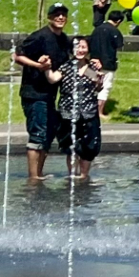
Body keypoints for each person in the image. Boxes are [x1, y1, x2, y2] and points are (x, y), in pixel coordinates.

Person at [13, 5, 74, 181]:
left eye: (63, 14)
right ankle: (33, 177)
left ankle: (39, 173)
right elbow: (17, 56)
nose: (60, 17)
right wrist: (38, 66)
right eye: (56, 15)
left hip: (50, 95)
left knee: (48, 134)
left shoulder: (64, 40)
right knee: (38, 133)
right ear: (49, 17)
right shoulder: (39, 36)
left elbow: (70, 63)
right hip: (34, 93)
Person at [49, 36, 105, 182]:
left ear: (88, 49)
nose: (80, 50)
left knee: (88, 148)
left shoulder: (92, 68)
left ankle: (84, 177)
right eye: (77, 47)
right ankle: (73, 176)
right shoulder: (66, 66)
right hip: (68, 113)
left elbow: (98, 88)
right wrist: (46, 67)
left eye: (83, 47)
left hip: (89, 113)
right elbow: (53, 78)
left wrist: (99, 81)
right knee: (71, 147)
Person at [88, 6, 124, 117]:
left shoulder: (96, 29)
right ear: (118, 21)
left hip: (93, 62)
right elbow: (119, 46)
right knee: (105, 87)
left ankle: (90, 109)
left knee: (93, 87)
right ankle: (99, 112)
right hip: (108, 63)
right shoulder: (115, 31)